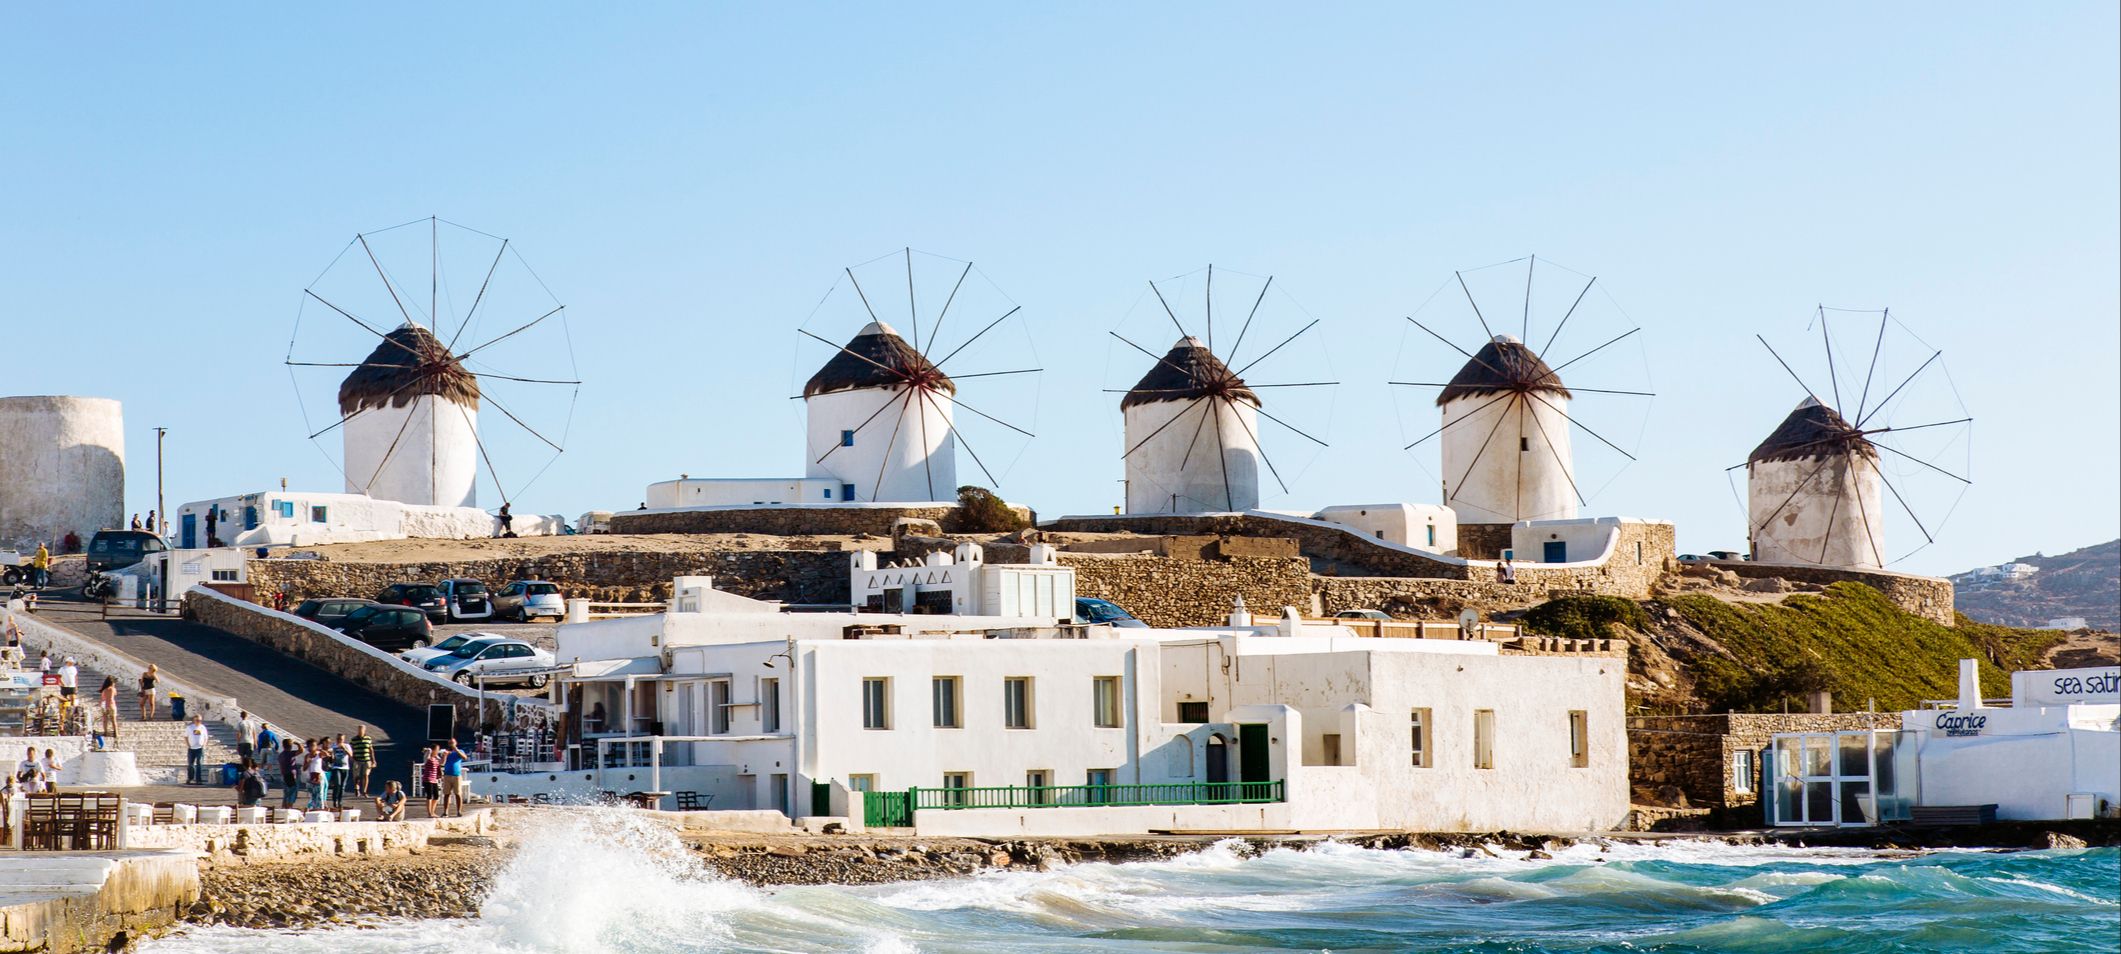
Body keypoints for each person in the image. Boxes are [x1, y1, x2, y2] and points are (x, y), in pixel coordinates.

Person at [440, 740, 468, 817]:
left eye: (452, 743)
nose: (451, 744)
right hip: (447, 775)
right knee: (446, 794)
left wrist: (456, 750)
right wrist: (445, 755)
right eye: (450, 743)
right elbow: (442, 763)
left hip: (457, 775)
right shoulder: (446, 752)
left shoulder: (460, 751)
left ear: (456, 743)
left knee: (458, 794)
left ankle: (459, 811)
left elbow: (465, 758)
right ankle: (445, 811)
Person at [348, 725, 375, 797]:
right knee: (356, 776)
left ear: (364, 730)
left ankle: (364, 791)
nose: (360, 731)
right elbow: (350, 749)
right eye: (359, 729)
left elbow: (371, 749)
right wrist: (352, 757)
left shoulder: (368, 739)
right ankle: (357, 788)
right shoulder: (354, 739)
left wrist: (373, 760)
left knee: (366, 775)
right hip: (357, 759)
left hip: (367, 759)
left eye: (362, 729)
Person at [184, 714, 210, 784]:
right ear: (194, 720)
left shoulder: (203, 728)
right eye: (197, 720)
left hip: (200, 748)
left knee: (199, 764)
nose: (199, 722)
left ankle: (199, 780)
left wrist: (204, 745)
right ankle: (190, 778)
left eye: (200, 720)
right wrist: (188, 745)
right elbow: (186, 736)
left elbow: (206, 737)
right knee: (191, 765)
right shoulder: (189, 728)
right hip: (191, 748)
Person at [329, 734, 352, 809]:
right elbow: (331, 758)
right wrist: (332, 755)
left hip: (345, 767)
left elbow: (351, 755)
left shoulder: (347, 746)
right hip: (336, 767)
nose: (340, 740)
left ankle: (340, 801)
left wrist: (344, 748)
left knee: (342, 786)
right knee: (337, 784)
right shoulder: (333, 746)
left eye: (341, 739)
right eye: (338, 739)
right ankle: (335, 800)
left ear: (344, 739)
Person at [303, 740, 326, 811]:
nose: (312, 747)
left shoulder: (319, 754)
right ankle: (313, 809)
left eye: (313, 745)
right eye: (310, 746)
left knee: (320, 795)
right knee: (312, 796)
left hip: (319, 777)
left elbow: (326, 754)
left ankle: (320, 809)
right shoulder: (307, 756)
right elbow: (304, 768)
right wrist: (308, 762)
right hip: (311, 777)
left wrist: (320, 749)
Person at [419, 746, 442, 818]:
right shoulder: (428, 756)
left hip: (434, 779)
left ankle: (433, 811)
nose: (438, 751)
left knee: (436, 796)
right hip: (428, 779)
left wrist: (444, 756)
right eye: (437, 750)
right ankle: (429, 813)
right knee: (429, 796)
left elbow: (442, 762)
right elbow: (426, 760)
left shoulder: (436, 759)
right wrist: (429, 751)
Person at [278, 739, 302, 808]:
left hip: (284, 774)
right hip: (291, 775)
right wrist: (298, 744)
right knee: (292, 793)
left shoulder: (281, 755)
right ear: (291, 746)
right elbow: (301, 750)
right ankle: (289, 807)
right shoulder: (290, 754)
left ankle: (284, 807)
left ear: (283, 746)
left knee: (286, 793)